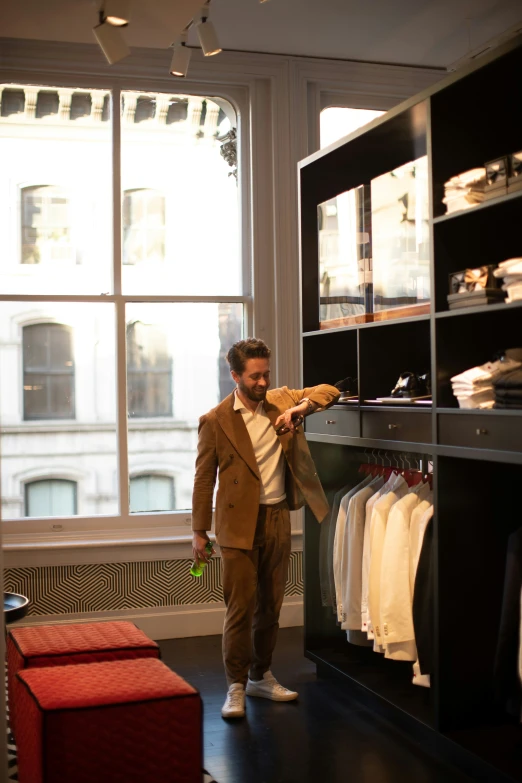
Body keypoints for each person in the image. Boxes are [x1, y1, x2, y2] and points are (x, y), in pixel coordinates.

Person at [191, 338, 339, 719]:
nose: (262, 382)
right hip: (237, 525)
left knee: (271, 607)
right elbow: (203, 479)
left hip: (276, 517)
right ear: (235, 376)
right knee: (241, 608)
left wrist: (300, 409)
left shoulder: (282, 400)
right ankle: (236, 685)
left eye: (266, 374)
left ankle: (260, 675)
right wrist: (198, 532)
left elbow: (332, 390)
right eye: (254, 376)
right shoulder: (216, 420)